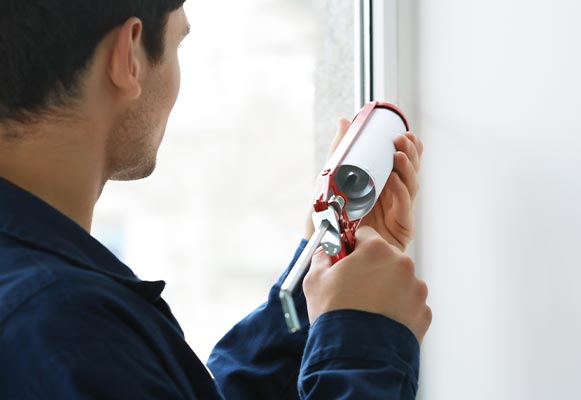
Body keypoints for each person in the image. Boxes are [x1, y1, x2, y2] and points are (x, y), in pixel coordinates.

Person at [0, 1, 431, 399]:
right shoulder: (62, 329)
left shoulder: (45, 310)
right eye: (177, 43)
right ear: (129, 55)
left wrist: (324, 268)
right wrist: (364, 344)